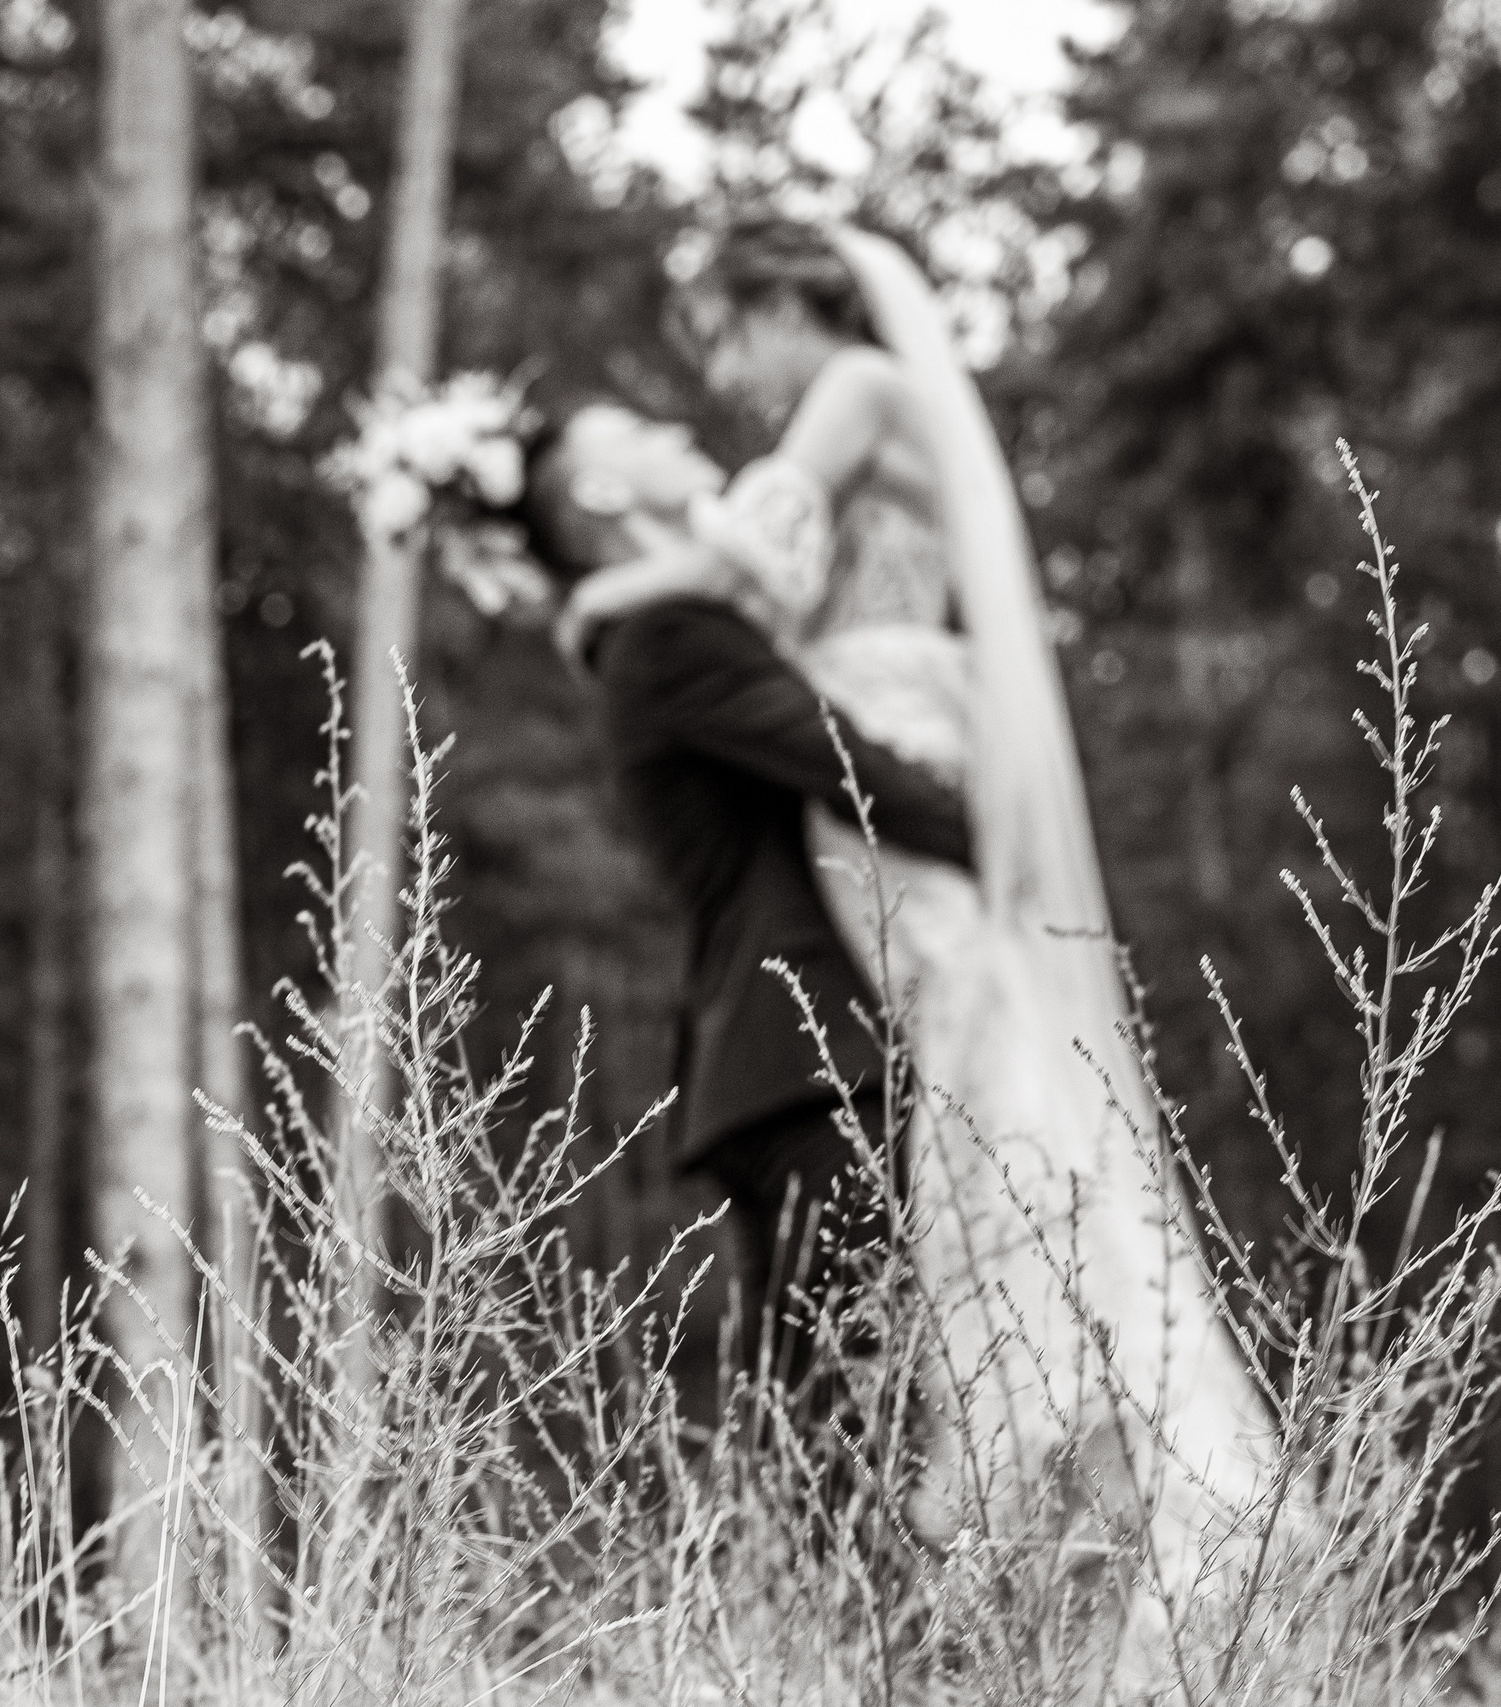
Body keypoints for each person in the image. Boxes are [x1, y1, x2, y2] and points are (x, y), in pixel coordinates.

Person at [558, 220, 1277, 1638]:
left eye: (729, 332)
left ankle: (1089, 1439)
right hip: (873, 727)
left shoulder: (866, 387)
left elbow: (755, 545)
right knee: (961, 1084)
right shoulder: (871, 407)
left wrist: (603, 588)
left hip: (883, 715)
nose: (735, 372)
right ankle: (1027, 1442)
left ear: (780, 301)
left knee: (966, 1061)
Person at [508, 401, 976, 1440]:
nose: (673, 434)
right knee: (854, 1423)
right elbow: (851, 768)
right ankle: (837, 1606)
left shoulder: (658, 627)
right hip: (811, 1056)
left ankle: (801, 1603)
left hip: (786, 1063)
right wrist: (1008, 839)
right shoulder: (670, 638)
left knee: (827, 1423)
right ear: (602, 493)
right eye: (636, 431)